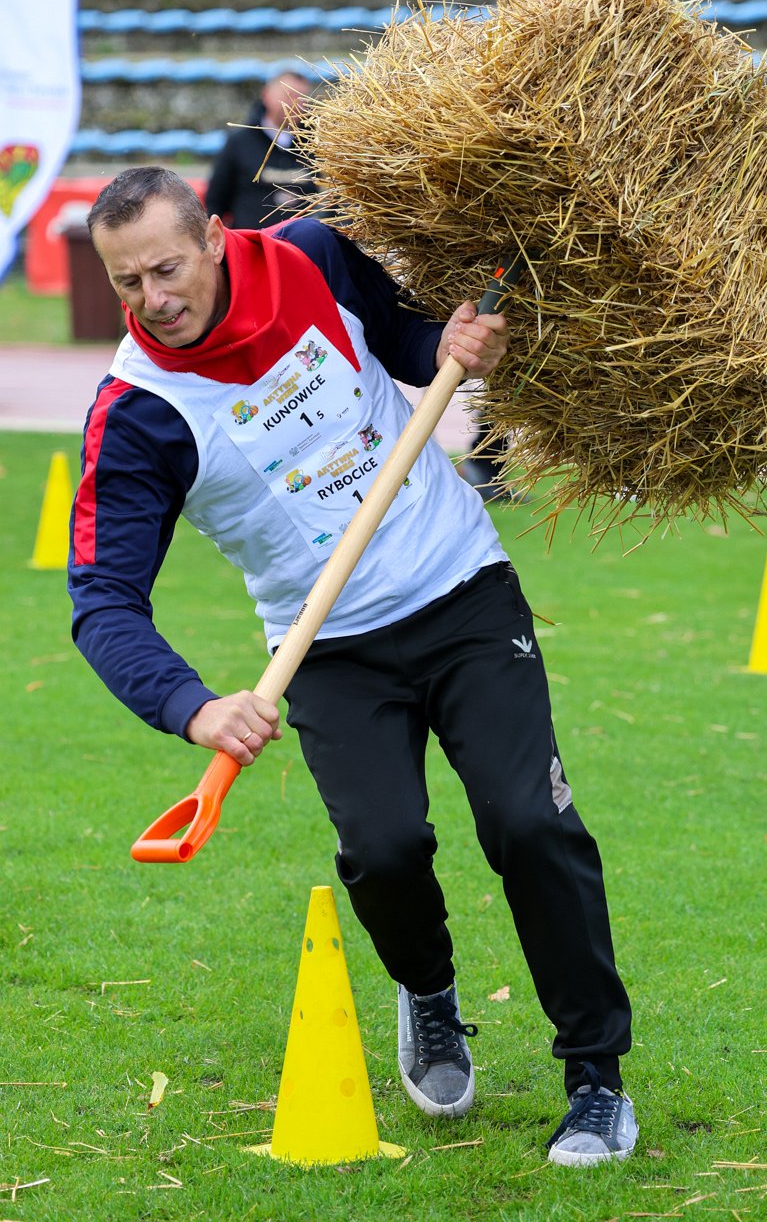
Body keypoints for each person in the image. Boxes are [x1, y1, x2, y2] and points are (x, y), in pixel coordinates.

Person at [68, 166, 636, 1166]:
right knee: (383, 847)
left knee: (527, 822)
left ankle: (595, 1077)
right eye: (128, 282)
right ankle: (428, 992)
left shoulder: (311, 256)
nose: (154, 298)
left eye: (166, 268)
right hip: (326, 649)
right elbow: (103, 600)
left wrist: (453, 346)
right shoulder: (141, 412)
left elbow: (407, 341)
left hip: (460, 588)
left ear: (212, 236)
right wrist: (193, 707)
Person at [203, 71, 315, 229]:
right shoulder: (239, 141)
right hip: (250, 239)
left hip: (303, 241)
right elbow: (216, 199)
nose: (294, 104)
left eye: (301, 98)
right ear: (266, 95)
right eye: (288, 95)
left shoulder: (316, 143)